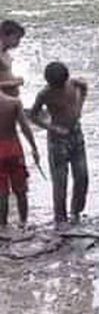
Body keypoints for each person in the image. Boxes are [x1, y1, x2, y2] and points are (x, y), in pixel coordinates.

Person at [29, 62, 89, 226]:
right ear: (49, 83)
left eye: (62, 85)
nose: (60, 88)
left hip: (76, 133)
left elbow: (84, 86)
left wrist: (80, 106)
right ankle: (60, 218)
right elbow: (33, 116)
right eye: (56, 86)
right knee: (60, 181)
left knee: (82, 176)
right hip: (57, 139)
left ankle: (76, 212)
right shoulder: (44, 94)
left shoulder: (73, 83)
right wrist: (52, 127)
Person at [0, 88, 39, 230]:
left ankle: (3, 226)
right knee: (21, 189)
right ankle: (23, 222)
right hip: (14, 149)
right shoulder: (14, 102)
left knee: (2, 193)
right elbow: (24, 127)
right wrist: (34, 148)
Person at [0, 20, 25, 94]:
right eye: (16, 38)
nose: (18, 42)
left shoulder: (5, 53)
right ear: (4, 36)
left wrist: (15, 79)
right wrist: (12, 83)